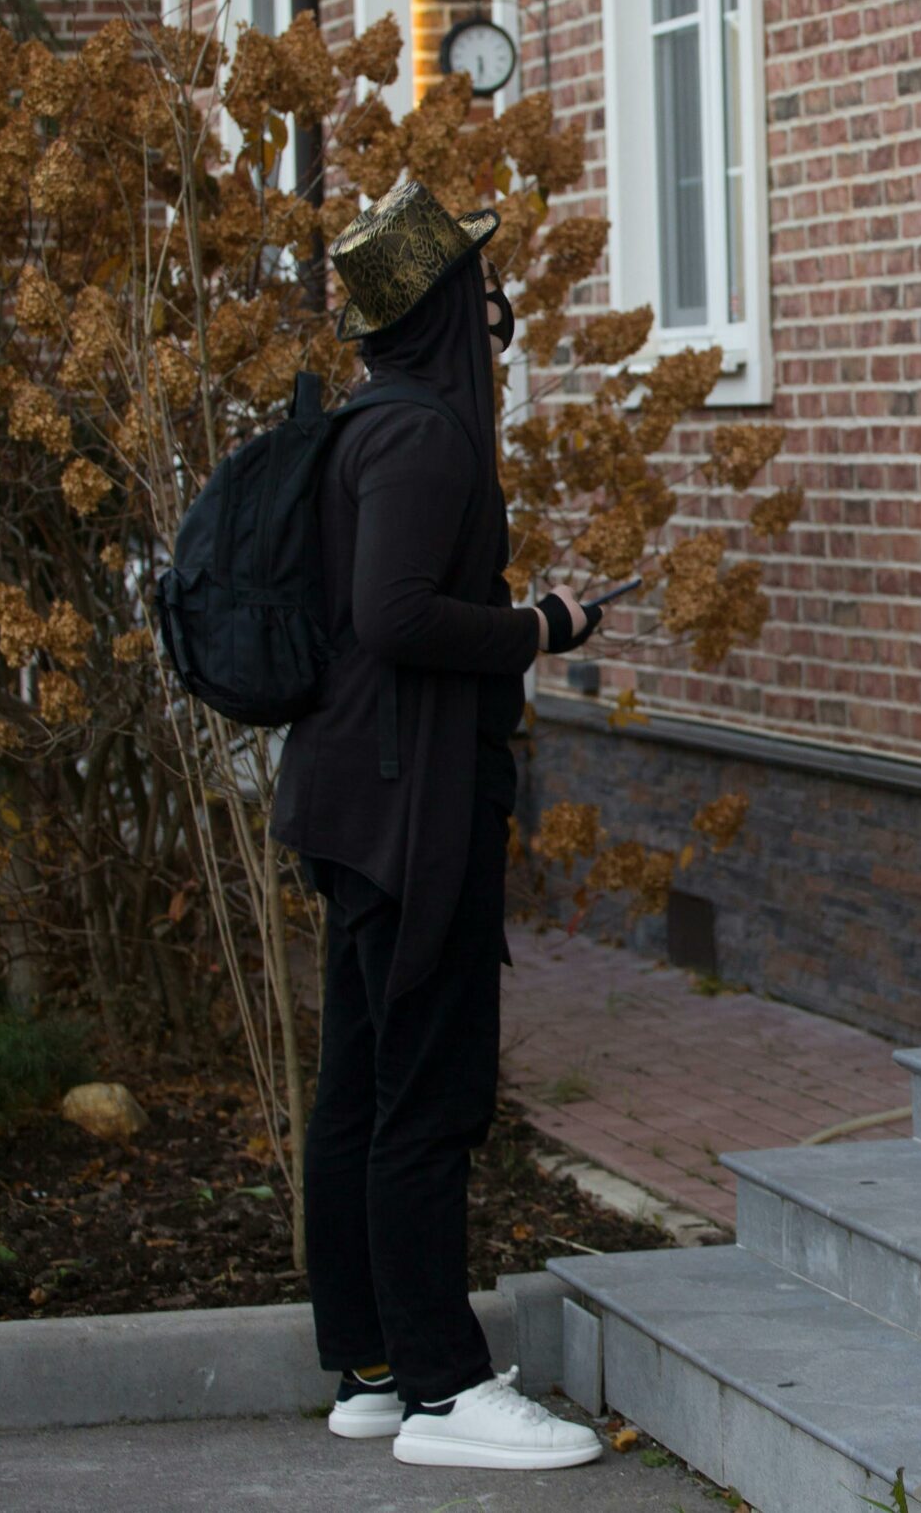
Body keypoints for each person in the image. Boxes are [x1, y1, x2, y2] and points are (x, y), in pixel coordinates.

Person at [270, 181, 603, 1470]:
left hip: (357, 797)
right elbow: (396, 615)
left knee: (360, 1085)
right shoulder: (425, 439)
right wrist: (540, 626)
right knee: (428, 1091)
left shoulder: (370, 422)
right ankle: (441, 1389)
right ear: (453, 311)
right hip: (411, 810)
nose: (502, 316)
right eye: (487, 293)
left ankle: (365, 1363)